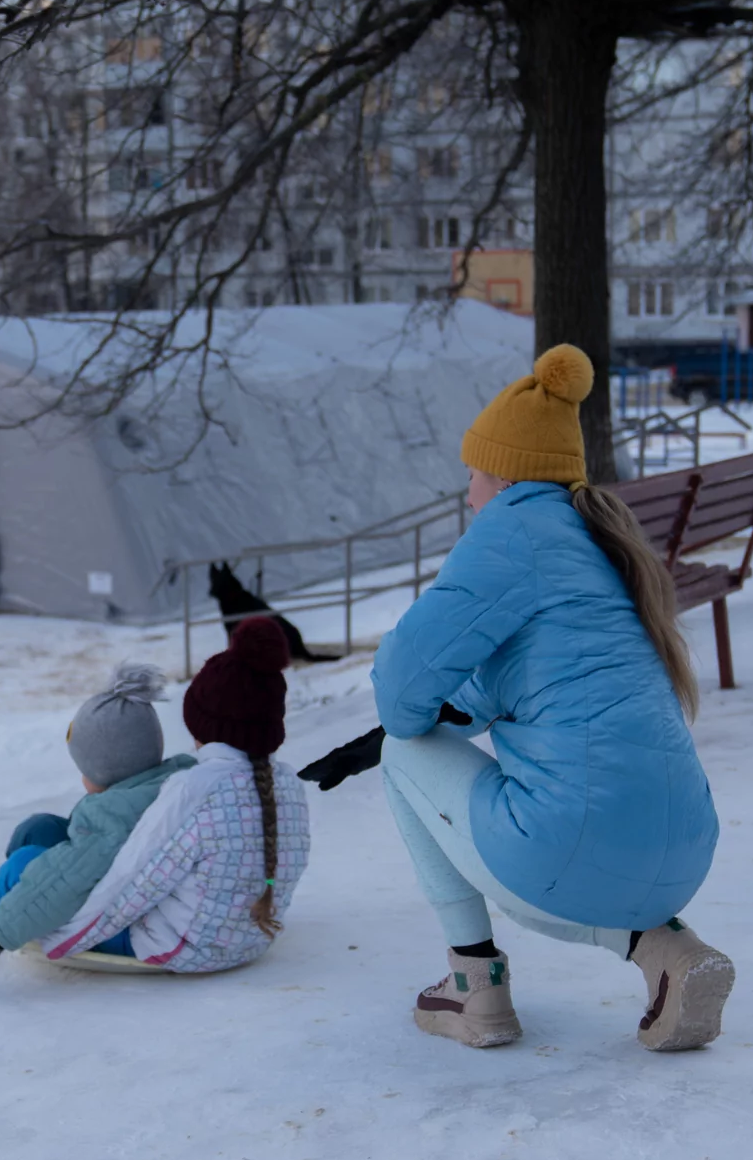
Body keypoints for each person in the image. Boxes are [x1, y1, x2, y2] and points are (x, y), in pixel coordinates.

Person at [302, 343, 728, 1053]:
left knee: (405, 750)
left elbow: (402, 697)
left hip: (570, 844)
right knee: (593, 838)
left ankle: (474, 988)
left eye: (472, 470)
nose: (468, 488)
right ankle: (671, 955)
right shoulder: (594, 542)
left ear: (500, 473)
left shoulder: (510, 532)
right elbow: (518, 685)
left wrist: (418, 704)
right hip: (686, 849)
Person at [0, 618, 310, 976]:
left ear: (202, 725)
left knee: (32, 863)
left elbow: (128, 886)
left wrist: (8, 929)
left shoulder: (191, 791)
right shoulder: (283, 784)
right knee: (43, 833)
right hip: (251, 937)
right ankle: (18, 888)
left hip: (182, 944)